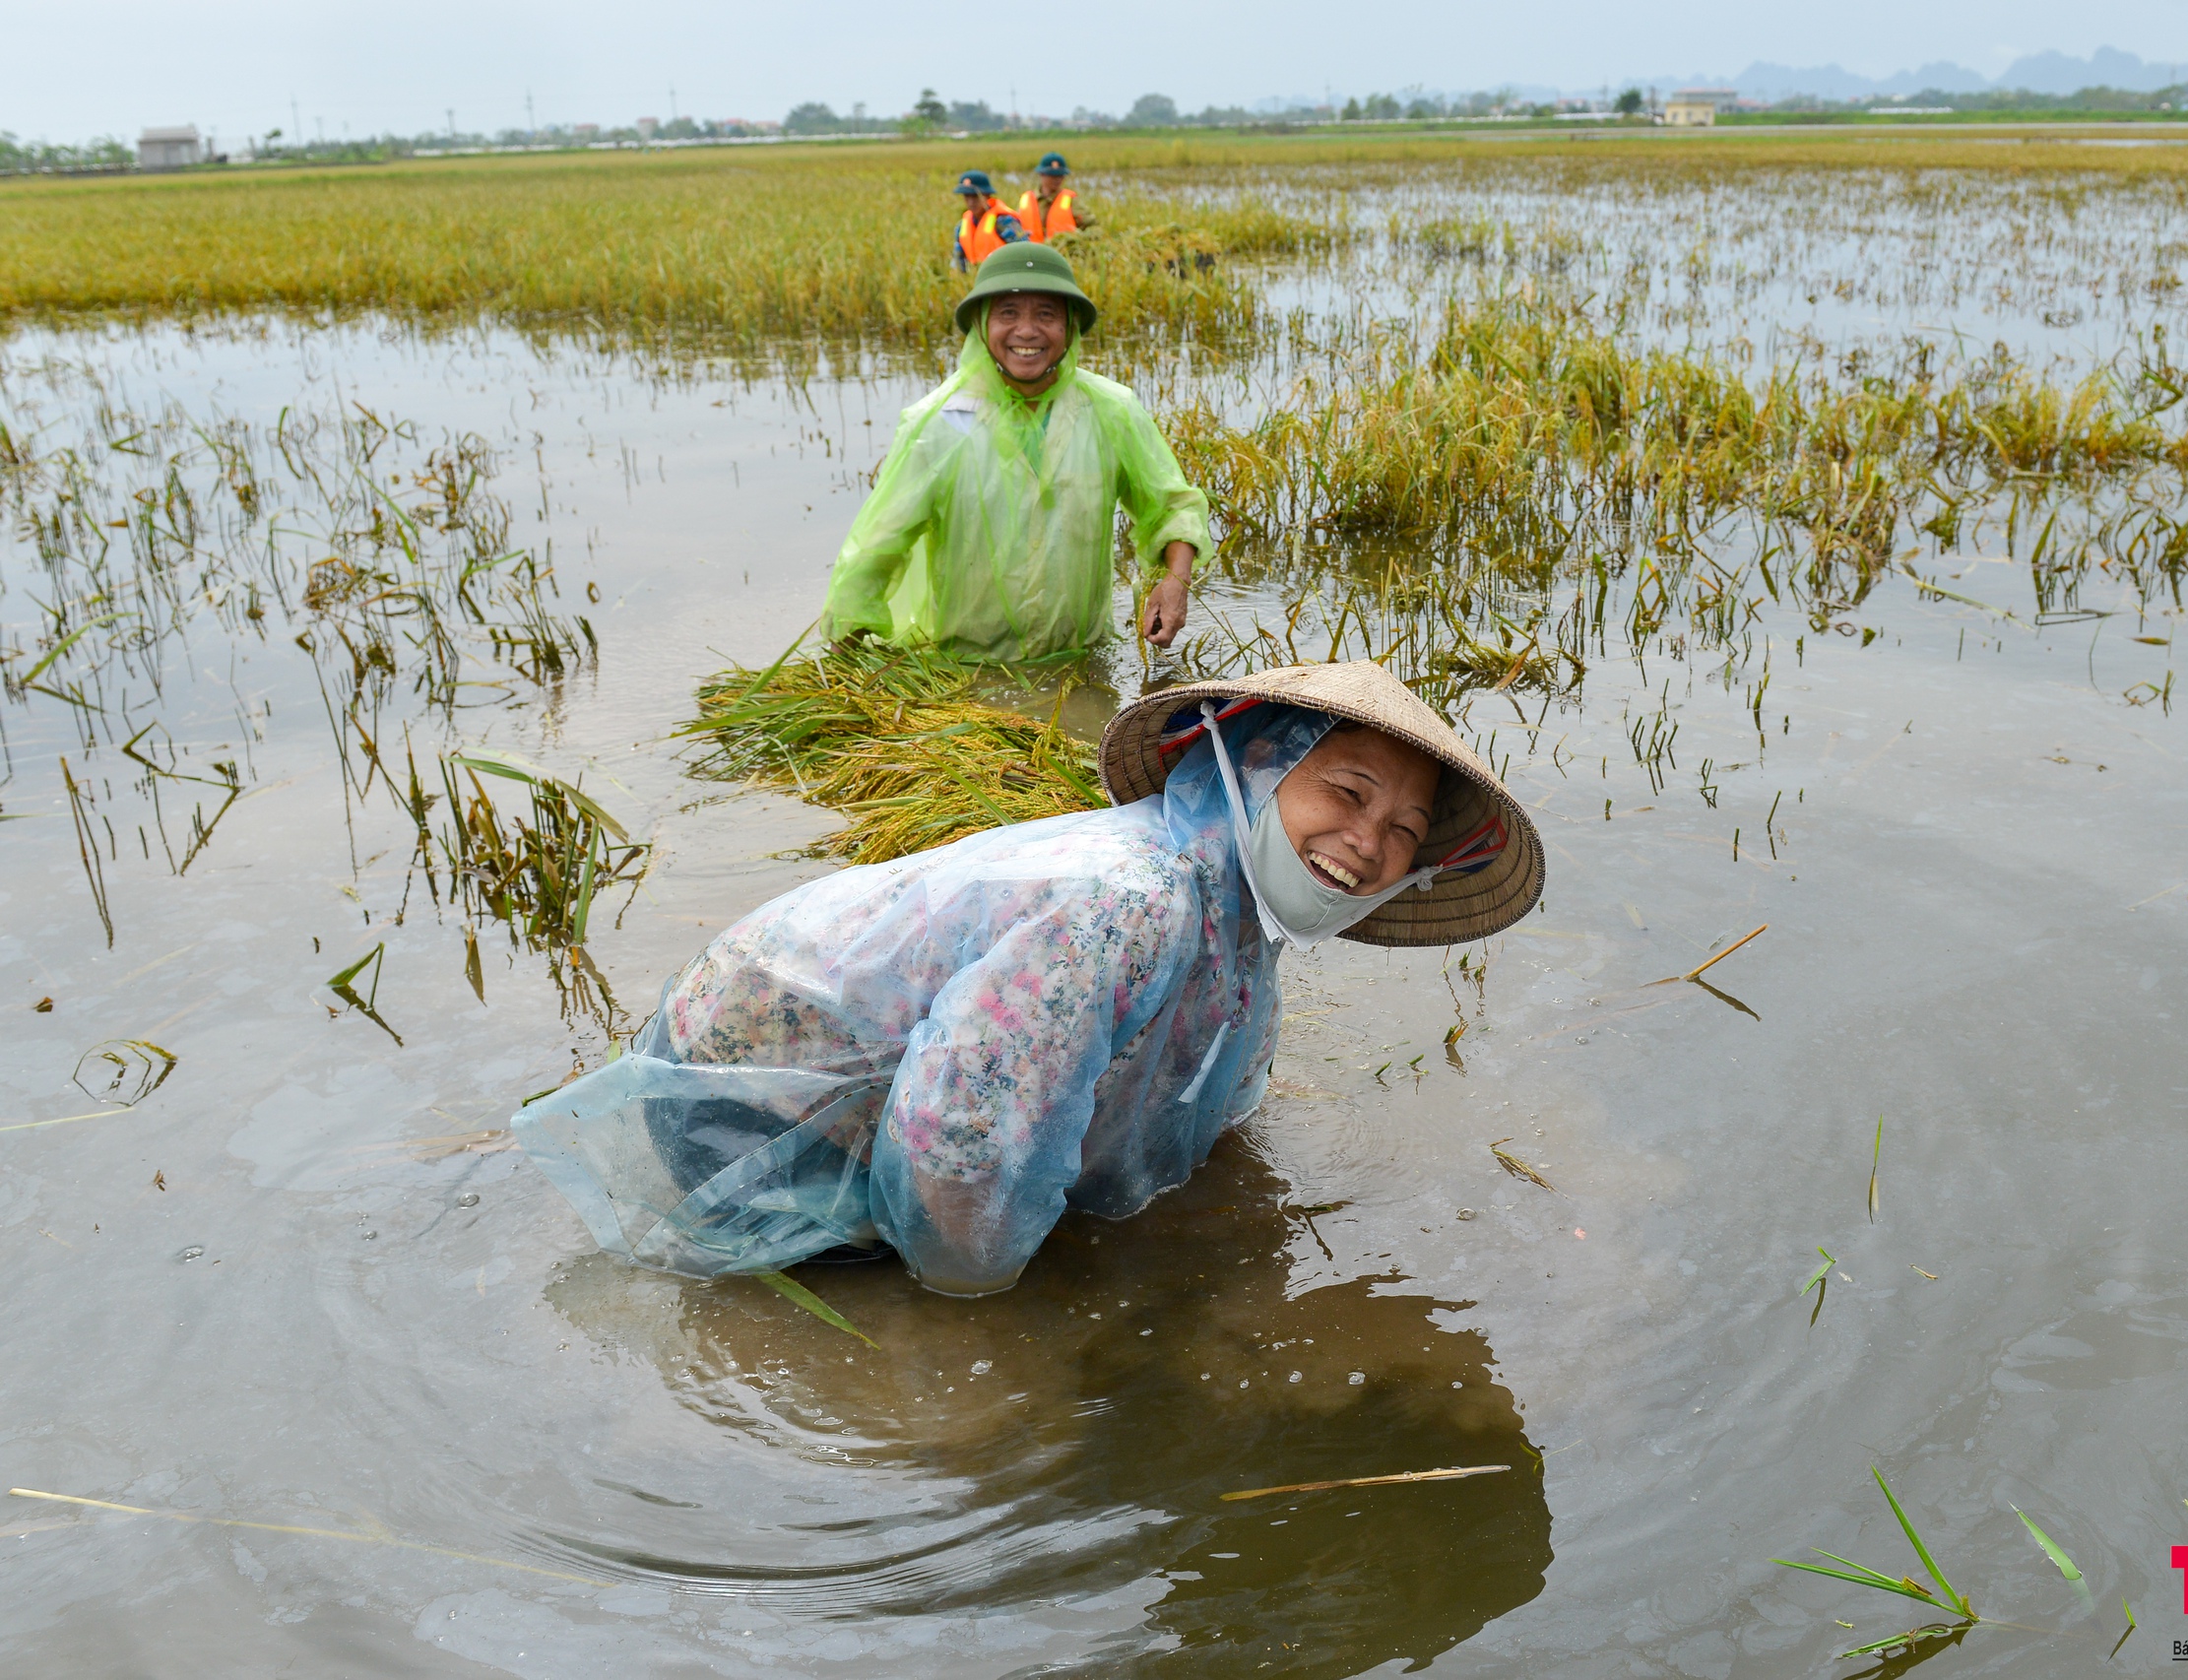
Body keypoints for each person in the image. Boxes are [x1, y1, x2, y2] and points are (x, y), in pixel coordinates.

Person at [511, 662, 1545, 1297]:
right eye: (1348, 791)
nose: (1366, 842)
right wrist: (992, 1300)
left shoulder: (1231, 920)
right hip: (746, 1092)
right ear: (1260, 770)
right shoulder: (1130, 897)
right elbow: (958, 1142)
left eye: (1404, 830)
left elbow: (1179, 1094)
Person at [823, 243, 1209, 663]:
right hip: (966, 669)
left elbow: (1172, 506)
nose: (1026, 331)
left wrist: (1175, 583)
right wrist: (844, 662)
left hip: (1082, 659)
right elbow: (879, 543)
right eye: (1008, 313)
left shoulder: (1110, 411)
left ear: (1070, 327)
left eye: (1046, 314)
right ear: (981, 323)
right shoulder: (938, 423)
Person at [950, 169, 1028, 273]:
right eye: (967, 197)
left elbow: (1025, 254)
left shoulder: (1004, 222)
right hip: (977, 281)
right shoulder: (961, 227)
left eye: (975, 197)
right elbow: (958, 262)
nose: (971, 202)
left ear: (987, 196)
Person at [1015, 152, 1093, 241]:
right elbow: (1016, 229)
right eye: (1052, 176)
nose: (1057, 180)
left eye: (1060, 176)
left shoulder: (1070, 200)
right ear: (1042, 175)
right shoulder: (1026, 199)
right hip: (1032, 253)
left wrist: (1079, 239)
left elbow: (1093, 227)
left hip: (1062, 253)